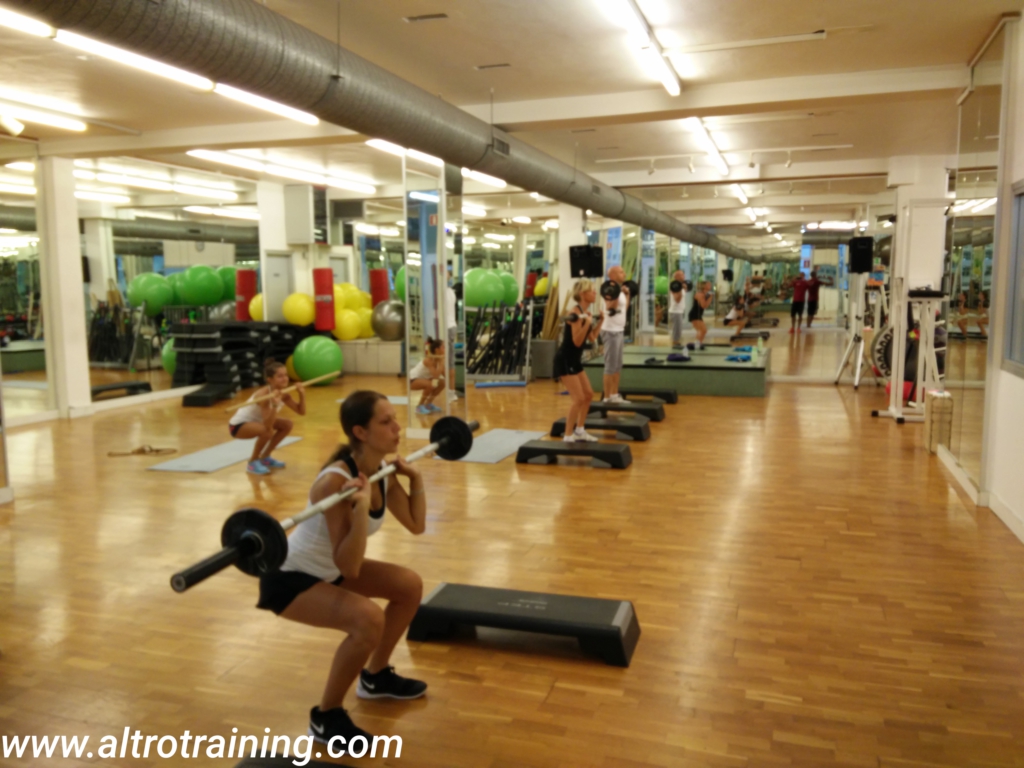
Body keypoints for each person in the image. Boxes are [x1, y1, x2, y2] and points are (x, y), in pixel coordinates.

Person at [257, 391, 428, 746]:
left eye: (395, 419)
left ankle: (376, 677)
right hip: (290, 579)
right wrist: (361, 508)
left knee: (409, 585)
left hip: (330, 568)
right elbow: (349, 567)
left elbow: (416, 524)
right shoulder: (333, 484)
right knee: (368, 620)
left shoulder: (382, 471)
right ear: (360, 432)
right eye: (386, 422)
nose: (397, 428)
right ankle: (326, 716)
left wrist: (417, 480)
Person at [228, 359, 305, 476]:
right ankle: (252, 462)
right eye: (280, 376)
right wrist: (274, 405)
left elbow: (301, 411)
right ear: (270, 379)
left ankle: (265, 457)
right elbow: (268, 426)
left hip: (258, 422)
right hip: (237, 426)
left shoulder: (284, 393)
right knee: (267, 431)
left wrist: (302, 394)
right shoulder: (263, 395)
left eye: (286, 375)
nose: (285, 379)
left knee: (287, 425)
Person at [555, 279, 603, 443]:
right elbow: (576, 341)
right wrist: (586, 322)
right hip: (565, 360)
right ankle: (568, 435)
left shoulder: (584, 312)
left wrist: (600, 321)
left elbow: (592, 337)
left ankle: (580, 430)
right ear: (583, 294)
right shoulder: (575, 313)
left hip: (574, 360)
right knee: (578, 399)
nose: (595, 293)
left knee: (588, 394)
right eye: (592, 290)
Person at [601, 265, 630, 404]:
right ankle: (606, 398)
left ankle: (614, 395)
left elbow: (624, 309)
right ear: (612, 276)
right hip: (610, 331)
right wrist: (618, 293)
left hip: (619, 330)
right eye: (621, 272)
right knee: (610, 366)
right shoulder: (609, 289)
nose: (624, 274)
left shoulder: (619, 290)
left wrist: (627, 294)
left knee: (618, 365)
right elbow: (609, 307)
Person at [409, 338, 445, 414]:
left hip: (423, 379)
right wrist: (441, 363)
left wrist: (442, 363)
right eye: (443, 347)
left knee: (442, 383)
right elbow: (436, 376)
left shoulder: (438, 360)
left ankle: (428, 404)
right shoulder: (428, 360)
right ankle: (419, 406)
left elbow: (444, 375)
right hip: (411, 380)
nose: (445, 349)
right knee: (431, 384)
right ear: (437, 350)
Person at [445, 281, 459, 402]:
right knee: (449, 360)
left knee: (449, 361)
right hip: (451, 326)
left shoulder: (445, 292)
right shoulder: (451, 292)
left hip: (447, 327)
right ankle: (451, 392)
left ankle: (451, 392)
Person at [688, 281, 712, 349]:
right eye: (708, 284)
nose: (710, 285)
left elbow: (705, 306)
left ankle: (698, 344)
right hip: (694, 314)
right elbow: (703, 305)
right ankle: (697, 344)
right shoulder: (700, 294)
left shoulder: (705, 294)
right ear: (704, 286)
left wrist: (709, 298)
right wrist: (710, 298)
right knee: (703, 330)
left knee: (702, 330)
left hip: (698, 314)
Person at [668, 270, 687, 348]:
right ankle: (675, 346)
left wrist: (684, 289)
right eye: (681, 275)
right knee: (676, 332)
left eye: (683, 274)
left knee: (678, 331)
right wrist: (681, 289)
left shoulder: (680, 286)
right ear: (676, 277)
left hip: (679, 311)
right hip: (676, 312)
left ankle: (677, 345)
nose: (684, 276)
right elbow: (677, 300)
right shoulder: (675, 286)